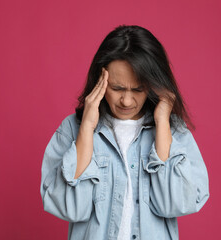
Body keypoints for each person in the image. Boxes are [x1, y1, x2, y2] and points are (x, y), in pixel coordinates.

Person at [40, 25, 209, 240]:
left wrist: (162, 122)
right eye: (117, 88)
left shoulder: (174, 131)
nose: (127, 101)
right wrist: (87, 128)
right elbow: (68, 208)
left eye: (138, 89)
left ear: (153, 84)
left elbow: (176, 204)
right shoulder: (72, 129)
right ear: (100, 80)